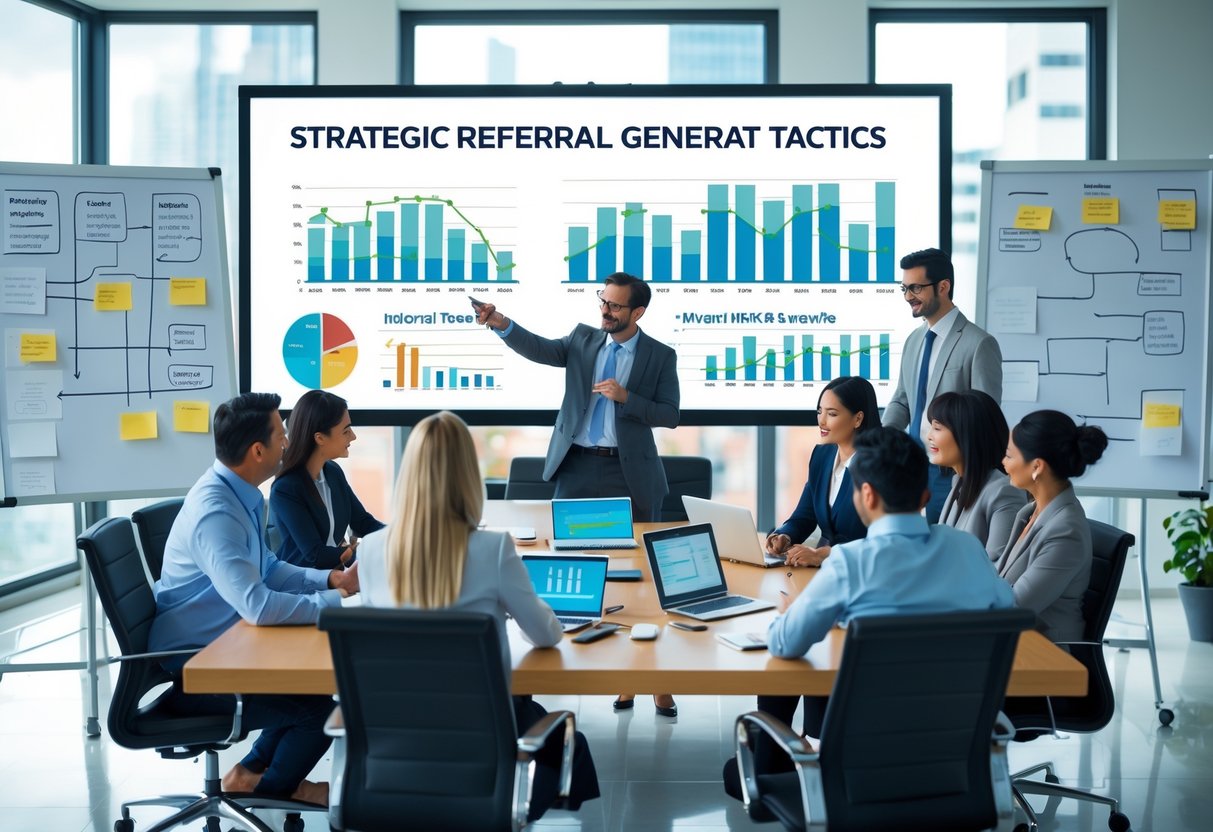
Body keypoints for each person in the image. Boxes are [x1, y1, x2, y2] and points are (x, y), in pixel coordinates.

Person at [723, 428, 1014, 801]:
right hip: (956, 764)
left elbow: (784, 644)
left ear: (867, 496)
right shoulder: (967, 548)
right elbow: (1006, 610)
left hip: (858, 775)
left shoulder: (849, 563)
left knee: (739, 772)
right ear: (925, 495)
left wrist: (790, 611)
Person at [357, 410, 601, 821]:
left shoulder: (370, 549)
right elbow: (546, 635)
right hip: (482, 744)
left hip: (394, 745)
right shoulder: (493, 549)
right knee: (565, 741)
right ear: (467, 476)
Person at [473, 272, 680, 717]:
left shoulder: (660, 355)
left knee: (641, 580)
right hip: (579, 466)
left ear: (637, 312)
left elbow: (670, 414)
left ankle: (657, 680)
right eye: (602, 301)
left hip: (632, 475)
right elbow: (541, 350)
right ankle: (614, 673)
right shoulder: (583, 339)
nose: (605, 310)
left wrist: (627, 398)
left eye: (615, 306)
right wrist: (500, 322)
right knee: (582, 571)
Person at [149, 392, 361, 806]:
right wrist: (335, 607)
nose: (288, 441)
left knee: (315, 692)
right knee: (319, 710)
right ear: (258, 450)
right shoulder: (216, 512)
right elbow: (258, 605)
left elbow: (268, 568)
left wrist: (331, 580)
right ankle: (274, 792)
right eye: (281, 434)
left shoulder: (241, 494)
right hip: (196, 661)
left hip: (225, 641)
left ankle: (246, 775)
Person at [882, 248, 1003, 523]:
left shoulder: (979, 344)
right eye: (904, 288)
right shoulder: (914, 339)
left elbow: (985, 416)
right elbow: (902, 400)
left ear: (943, 287)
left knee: (942, 547)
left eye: (915, 288)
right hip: (908, 466)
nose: (907, 296)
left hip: (951, 471)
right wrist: (883, 442)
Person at [997, 410, 1108, 643]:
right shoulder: (1030, 512)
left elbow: (1015, 605)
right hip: (1014, 638)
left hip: (1045, 652)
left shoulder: (1066, 531)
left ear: (1036, 466)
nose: (1003, 462)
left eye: (1009, 456)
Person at [766, 376, 878, 568]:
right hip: (820, 572)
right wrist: (785, 535)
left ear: (858, 419)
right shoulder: (822, 455)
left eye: (832, 414)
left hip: (861, 570)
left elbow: (880, 540)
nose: (822, 421)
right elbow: (804, 516)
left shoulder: (880, 466)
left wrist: (824, 555)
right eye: (820, 412)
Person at [270, 389, 384, 570]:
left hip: (336, 582)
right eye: (346, 431)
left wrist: (399, 537)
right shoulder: (286, 489)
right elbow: (315, 555)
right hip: (300, 589)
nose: (353, 436)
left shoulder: (332, 472)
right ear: (320, 438)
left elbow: (362, 523)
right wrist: (356, 552)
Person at [926, 390, 1027, 562]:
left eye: (937, 428)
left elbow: (996, 569)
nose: (929, 436)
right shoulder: (959, 481)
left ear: (967, 433)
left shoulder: (1004, 492)